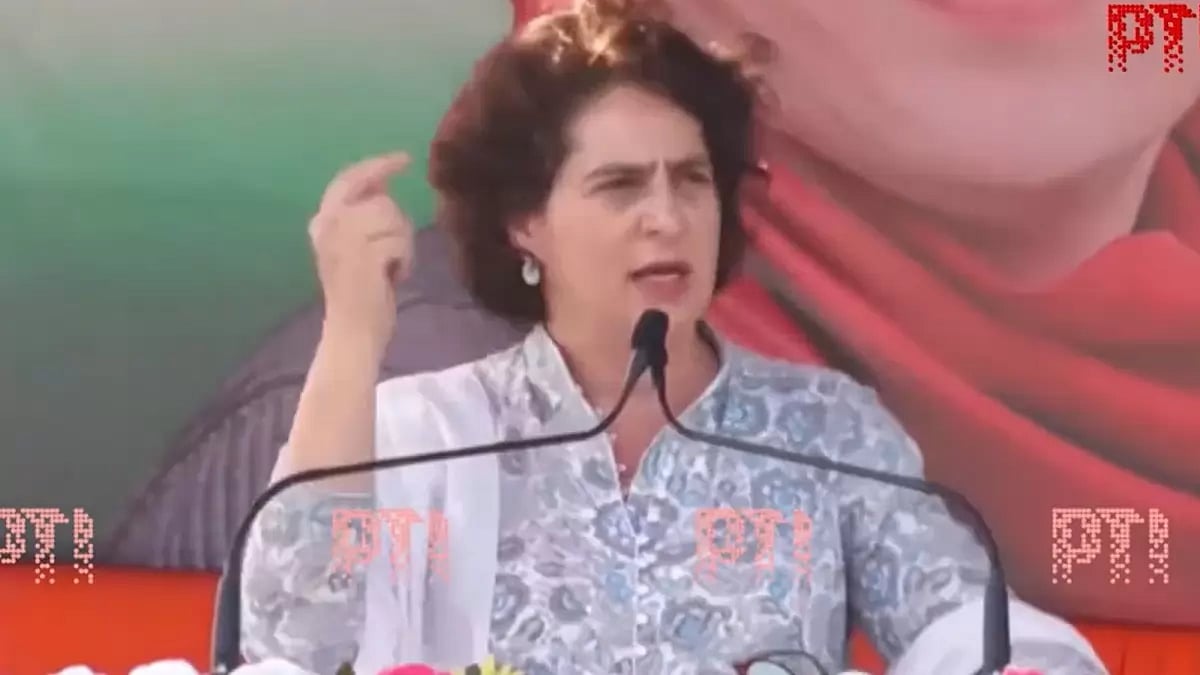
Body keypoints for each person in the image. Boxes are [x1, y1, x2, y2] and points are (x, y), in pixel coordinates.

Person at [241, 1, 1105, 673]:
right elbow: (296, 640)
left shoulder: (825, 431)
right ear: (524, 224)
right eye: (619, 185)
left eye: (692, 180)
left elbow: (958, 619)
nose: (667, 218)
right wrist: (353, 336)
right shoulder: (425, 433)